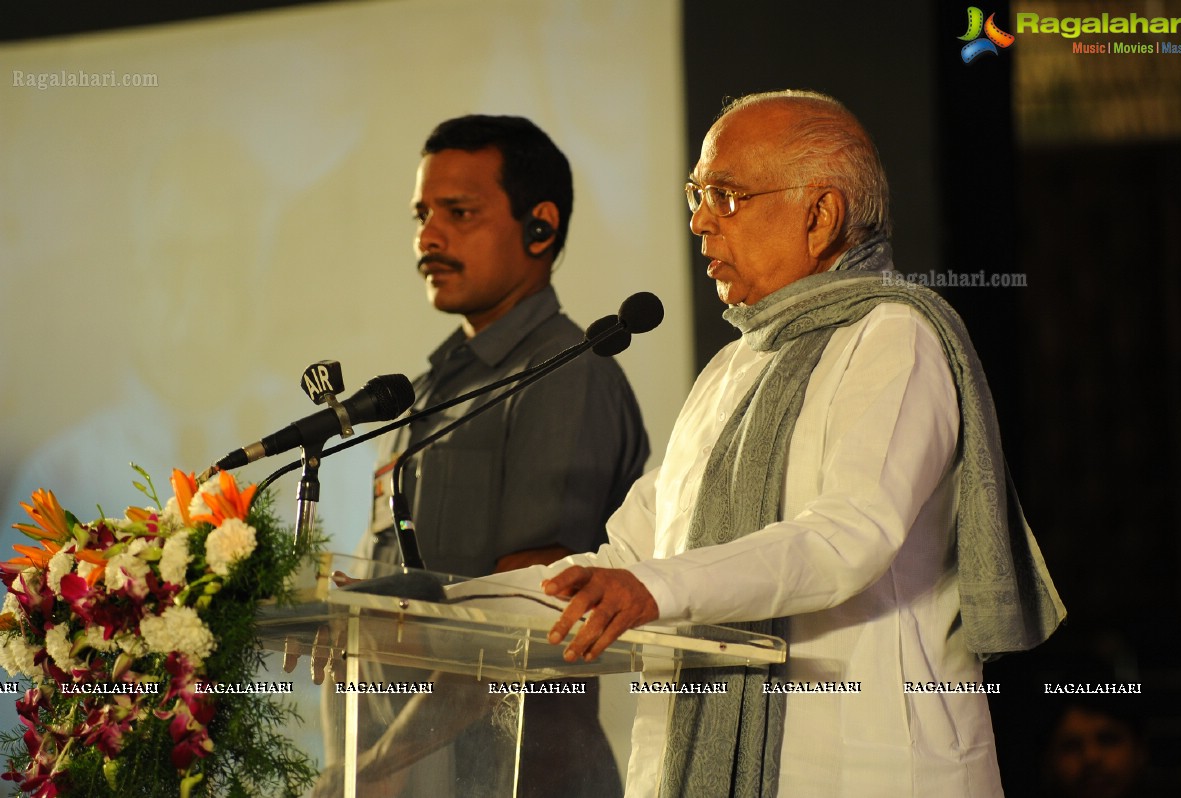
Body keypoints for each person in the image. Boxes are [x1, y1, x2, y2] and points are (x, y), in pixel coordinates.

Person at [524, 90, 1066, 797]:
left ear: (820, 214)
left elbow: (847, 537)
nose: (696, 222)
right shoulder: (731, 368)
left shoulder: (893, 336)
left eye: (724, 195)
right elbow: (627, 558)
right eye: (696, 194)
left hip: (864, 769)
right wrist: (434, 610)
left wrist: (651, 588)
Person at [339, 114, 649, 797]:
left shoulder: (566, 374)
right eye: (421, 213)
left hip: (516, 774)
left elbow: (520, 613)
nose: (427, 236)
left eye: (459, 212)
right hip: (411, 771)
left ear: (539, 226)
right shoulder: (424, 389)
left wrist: (376, 768)